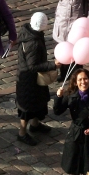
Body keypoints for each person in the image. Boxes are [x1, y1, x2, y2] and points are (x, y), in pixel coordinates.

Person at [15, 12, 57, 145]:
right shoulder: (33, 43)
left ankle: (35, 124)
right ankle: (22, 133)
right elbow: (32, 66)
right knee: (26, 108)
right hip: (29, 81)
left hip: (30, 79)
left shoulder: (27, 33)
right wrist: (52, 65)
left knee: (37, 103)